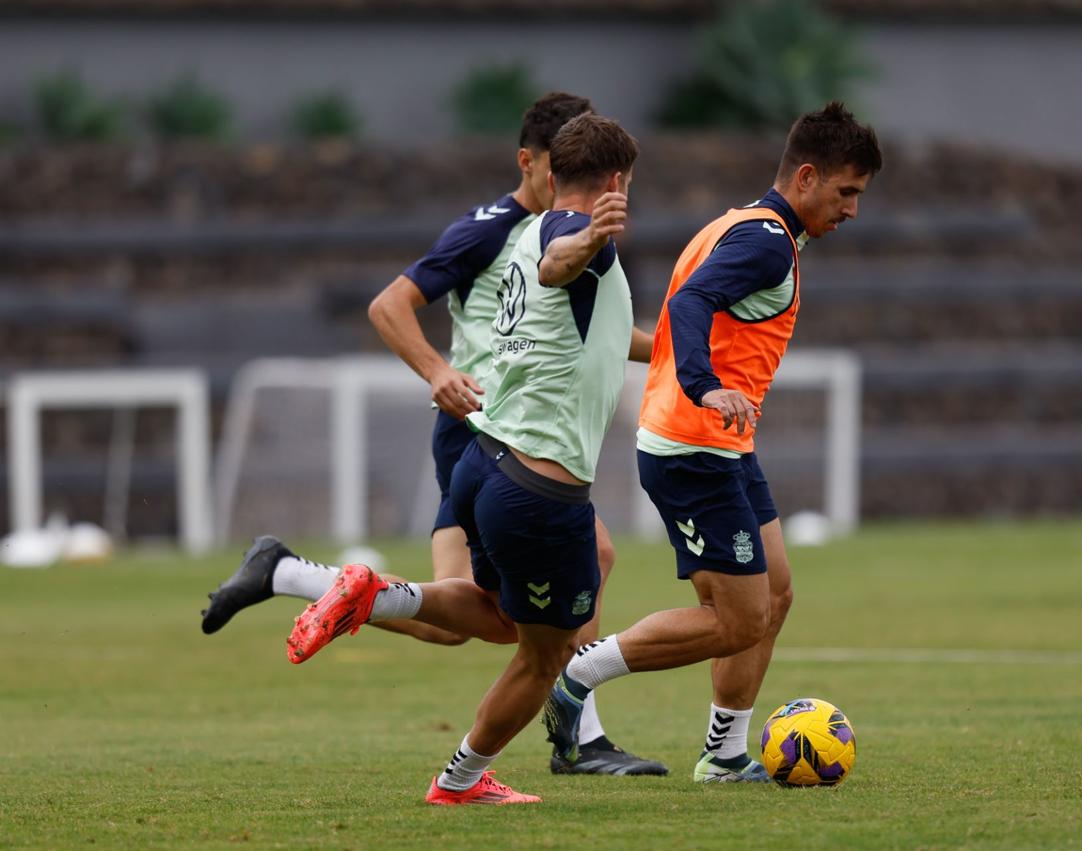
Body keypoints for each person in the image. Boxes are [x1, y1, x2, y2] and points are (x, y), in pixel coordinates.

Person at [199, 93, 662, 777]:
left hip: (493, 441)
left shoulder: (543, 229)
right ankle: (575, 733)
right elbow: (389, 305)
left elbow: (594, 330)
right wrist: (439, 371)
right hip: (483, 433)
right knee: (564, 570)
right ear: (531, 162)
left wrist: (676, 351)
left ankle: (293, 573)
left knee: (479, 613)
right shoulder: (495, 230)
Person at [543, 102, 882, 782]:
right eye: (846, 192)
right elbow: (688, 304)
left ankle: (724, 756)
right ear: (808, 177)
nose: (851, 209)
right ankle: (577, 673)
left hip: (721, 445)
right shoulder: (762, 241)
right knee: (736, 620)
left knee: (774, 594)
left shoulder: (744, 225)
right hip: (692, 445)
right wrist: (702, 385)